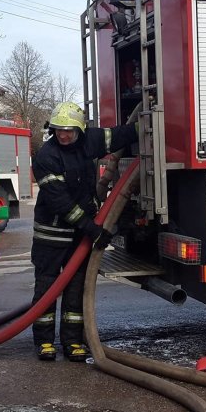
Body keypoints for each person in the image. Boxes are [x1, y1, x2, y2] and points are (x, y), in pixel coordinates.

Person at [30, 101, 137, 362]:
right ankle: (44, 342)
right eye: (58, 130)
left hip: (79, 236)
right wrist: (92, 228)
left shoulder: (89, 142)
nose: (63, 135)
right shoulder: (46, 156)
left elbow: (118, 135)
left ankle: (73, 342)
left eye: (68, 130)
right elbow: (60, 202)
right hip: (52, 236)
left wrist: (146, 125)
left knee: (76, 288)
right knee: (47, 288)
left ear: (79, 129)